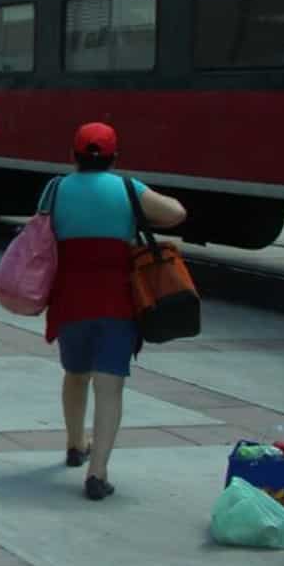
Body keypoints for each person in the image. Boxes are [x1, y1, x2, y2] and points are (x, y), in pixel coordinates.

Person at [47, 123, 186, 501]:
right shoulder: (128, 188)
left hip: (70, 297)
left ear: (73, 155)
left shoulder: (56, 188)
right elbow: (176, 212)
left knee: (75, 373)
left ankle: (76, 444)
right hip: (116, 299)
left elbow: (42, 229)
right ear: (114, 156)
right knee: (109, 385)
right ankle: (98, 473)